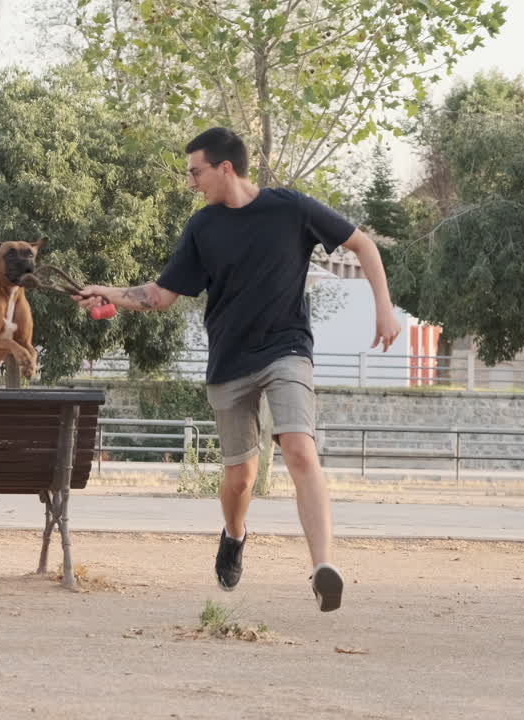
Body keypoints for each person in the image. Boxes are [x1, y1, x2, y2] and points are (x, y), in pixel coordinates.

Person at [74, 127, 401, 612]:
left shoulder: (291, 208)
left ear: (225, 167)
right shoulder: (203, 228)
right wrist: (110, 292)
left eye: (195, 172)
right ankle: (234, 533)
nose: (191, 182)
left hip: (287, 348)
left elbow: (363, 246)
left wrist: (384, 308)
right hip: (229, 361)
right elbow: (160, 296)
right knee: (240, 478)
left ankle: (323, 567)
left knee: (299, 449)